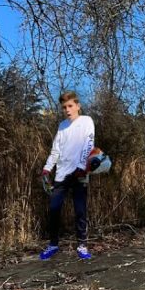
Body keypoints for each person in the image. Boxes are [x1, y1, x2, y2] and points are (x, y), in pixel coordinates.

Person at [40, 91, 95, 260]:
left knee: (80, 210)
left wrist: (81, 167)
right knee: (54, 209)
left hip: (79, 174)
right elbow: (56, 150)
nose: (67, 110)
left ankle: (82, 245)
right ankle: (53, 244)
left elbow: (89, 144)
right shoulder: (62, 126)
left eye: (70, 106)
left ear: (78, 106)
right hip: (61, 175)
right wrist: (47, 168)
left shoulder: (86, 121)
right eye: (64, 107)